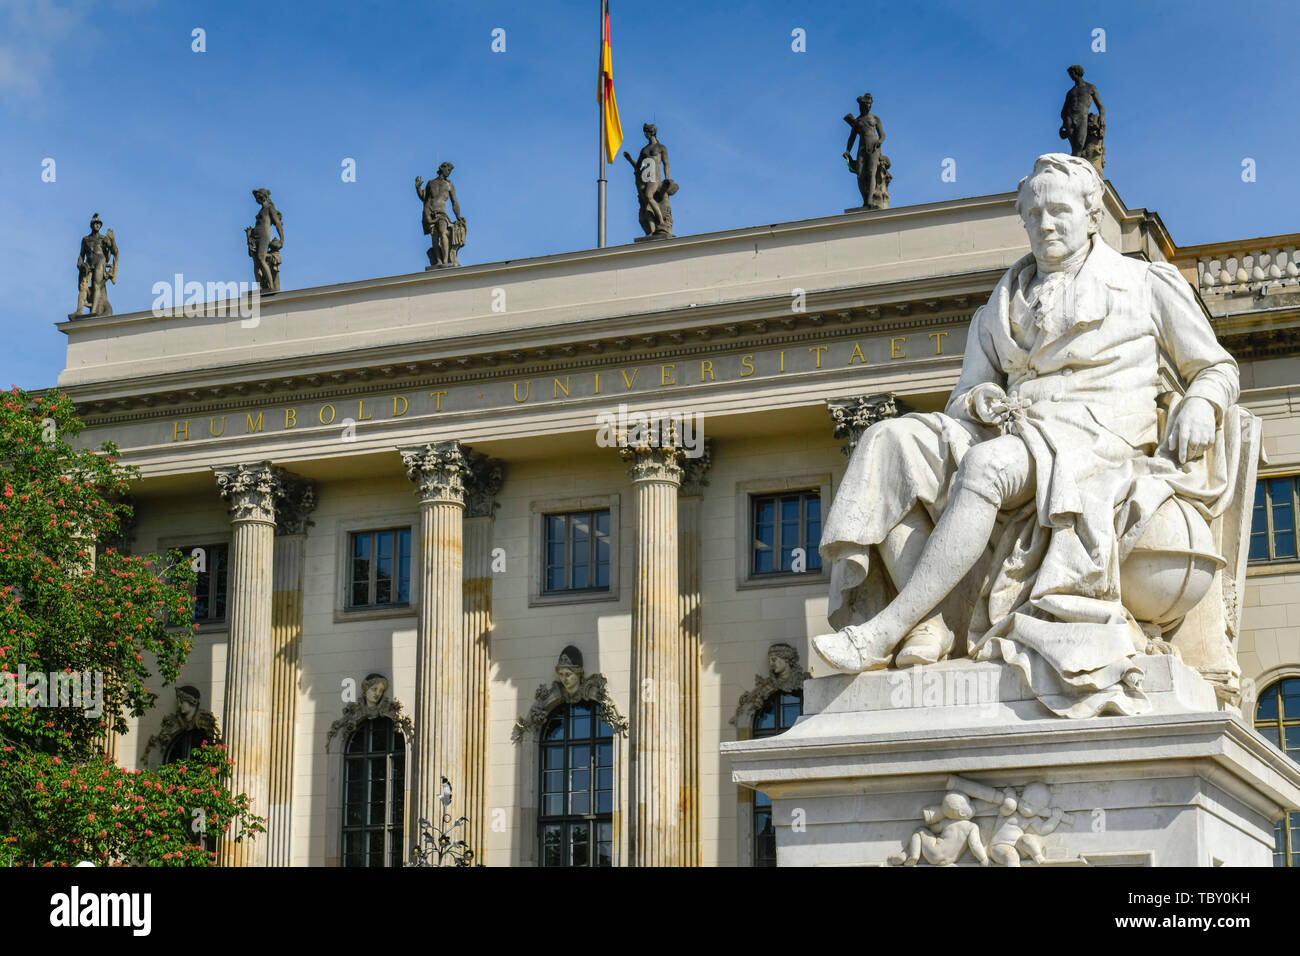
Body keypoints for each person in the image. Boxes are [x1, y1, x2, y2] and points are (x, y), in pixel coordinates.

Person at [813, 153, 1239, 717]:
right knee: (888, 446)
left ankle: (889, 628)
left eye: (1059, 210)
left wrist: (1202, 403)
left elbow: (1216, 367)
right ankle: (934, 624)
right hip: (1015, 430)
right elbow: (964, 393)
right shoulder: (1001, 301)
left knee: (988, 468)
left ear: (1092, 217)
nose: (1046, 224)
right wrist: (978, 399)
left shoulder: (1144, 283)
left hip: (1097, 442)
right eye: (1034, 213)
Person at [416, 162, 465, 267]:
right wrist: (418, 188)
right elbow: (424, 198)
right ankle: (438, 261)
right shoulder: (431, 183)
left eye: (450, 171)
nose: (449, 172)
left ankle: (446, 259)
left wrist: (458, 216)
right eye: (448, 169)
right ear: (442, 168)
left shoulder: (449, 185)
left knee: (443, 233)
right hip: (430, 213)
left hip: (442, 214)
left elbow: (454, 202)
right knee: (434, 237)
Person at [843, 93, 885, 209]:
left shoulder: (875, 119)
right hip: (861, 148)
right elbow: (852, 137)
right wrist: (847, 150)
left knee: (871, 173)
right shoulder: (858, 121)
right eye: (866, 104)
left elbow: (882, 135)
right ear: (861, 105)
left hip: (873, 148)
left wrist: (879, 141)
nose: (868, 106)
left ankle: (870, 200)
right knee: (860, 175)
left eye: (870, 104)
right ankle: (865, 198)